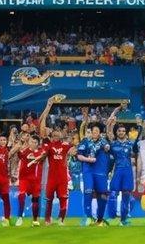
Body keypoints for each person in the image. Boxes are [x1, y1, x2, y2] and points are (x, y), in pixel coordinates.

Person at [38, 96, 73, 225]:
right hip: (51, 177)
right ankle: (47, 219)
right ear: (51, 136)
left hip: (63, 177)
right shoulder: (48, 144)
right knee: (48, 199)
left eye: (58, 134)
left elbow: (73, 150)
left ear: (61, 135)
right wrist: (48, 105)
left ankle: (61, 220)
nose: (56, 136)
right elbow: (42, 127)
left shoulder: (65, 145)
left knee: (63, 199)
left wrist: (73, 153)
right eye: (54, 134)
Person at [76, 111, 112, 227]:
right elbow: (79, 156)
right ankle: (88, 217)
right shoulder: (85, 142)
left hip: (101, 172)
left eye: (97, 131)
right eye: (93, 131)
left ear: (100, 133)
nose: (95, 133)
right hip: (88, 171)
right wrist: (88, 159)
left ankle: (100, 220)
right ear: (90, 132)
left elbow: (108, 148)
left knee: (102, 195)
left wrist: (107, 147)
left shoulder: (104, 141)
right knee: (88, 192)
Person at [105, 108, 136, 225]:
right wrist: (116, 111)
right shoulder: (113, 143)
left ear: (125, 133)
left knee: (126, 195)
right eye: (119, 131)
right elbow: (108, 129)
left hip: (128, 172)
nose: (121, 132)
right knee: (113, 194)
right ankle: (112, 216)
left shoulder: (131, 144)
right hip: (117, 171)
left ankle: (123, 220)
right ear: (116, 132)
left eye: (123, 131)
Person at [15, 132, 46, 227]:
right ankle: (20, 218)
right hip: (24, 179)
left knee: (35, 199)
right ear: (29, 142)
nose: (33, 144)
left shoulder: (41, 152)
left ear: (38, 143)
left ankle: (35, 220)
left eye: (35, 142)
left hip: (36, 180)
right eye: (31, 142)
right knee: (21, 195)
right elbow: (18, 154)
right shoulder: (25, 151)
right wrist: (17, 147)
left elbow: (43, 157)